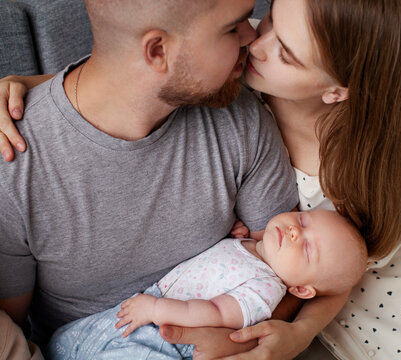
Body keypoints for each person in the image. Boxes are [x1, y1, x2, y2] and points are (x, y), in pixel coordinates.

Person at [0, 0, 401, 359]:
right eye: (250, 23)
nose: (253, 39)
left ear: (336, 90)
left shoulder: (273, 127)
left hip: (355, 270)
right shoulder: (18, 161)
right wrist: (24, 85)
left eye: (286, 53)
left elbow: (316, 273)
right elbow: (124, 63)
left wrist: (296, 332)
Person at [0, 0, 302, 359]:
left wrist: (244, 341)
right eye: (232, 27)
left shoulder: (241, 120)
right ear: (158, 51)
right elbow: (12, 332)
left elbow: (287, 279)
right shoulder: (15, 166)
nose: (251, 37)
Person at [46, 209, 367, 359]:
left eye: (308, 248)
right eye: (303, 220)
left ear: (300, 290)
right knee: (62, 344)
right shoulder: (247, 246)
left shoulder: (265, 290)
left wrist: (157, 308)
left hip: (166, 335)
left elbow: (215, 312)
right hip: (142, 312)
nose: (297, 232)